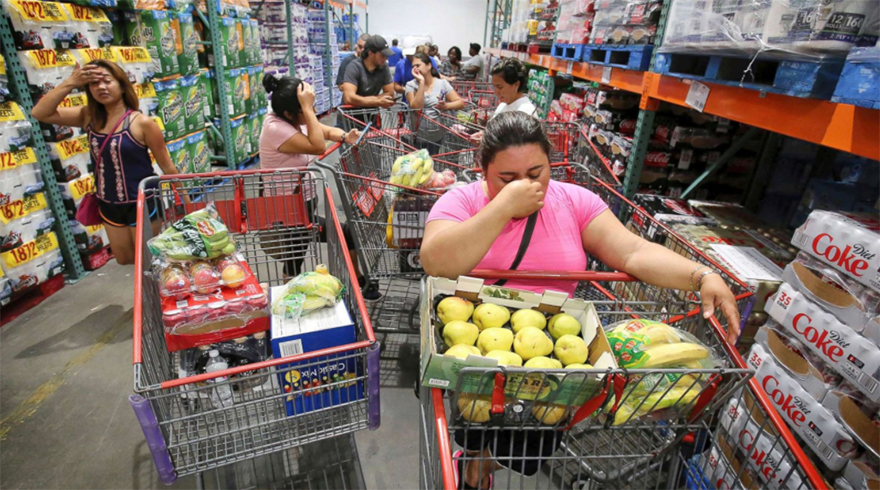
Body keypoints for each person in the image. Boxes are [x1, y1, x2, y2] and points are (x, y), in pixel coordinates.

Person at [420, 113, 741, 489]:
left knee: (527, 444)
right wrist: (503, 206)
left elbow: (633, 252)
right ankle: (474, 459)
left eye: (536, 172)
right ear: (483, 171)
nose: (525, 186)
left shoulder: (574, 202)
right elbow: (437, 261)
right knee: (472, 422)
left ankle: (485, 464)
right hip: (472, 345)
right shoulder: (461, 201)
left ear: (551, 164)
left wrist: (700, 275)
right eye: (507, 178)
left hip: (556, 352)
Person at [32, 60, 181, 265]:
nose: (101, 87)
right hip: (108, 203)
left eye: (107, 81)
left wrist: (187, 204)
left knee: (147, 261)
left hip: (142, 202)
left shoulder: (142, 123)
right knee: (125, 259)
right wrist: (70, 83)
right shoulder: (88, 117)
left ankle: (156, 296)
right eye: (94, 83)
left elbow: (167, 166)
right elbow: (40, 113)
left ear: (121, 86)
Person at [259, 74, 382, 301]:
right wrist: (307, 108)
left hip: (302, 203)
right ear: (289, 113)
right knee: (300, 253)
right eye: (308, 107)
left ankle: (355, 280)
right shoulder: (275, 128)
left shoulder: (293, 121)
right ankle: (297, 297)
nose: (313, 110)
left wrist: (345, 135)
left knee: (299, 252)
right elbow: (317, 145)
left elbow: (324, 131)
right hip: (285, 210)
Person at [405, 52, 465, 155]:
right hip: (414, 137)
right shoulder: (411, 85)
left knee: (430, 167)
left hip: (435, 138)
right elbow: (417, 108)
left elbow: (460, 103)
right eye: (413, 66)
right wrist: (421, 82)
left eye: (418, 65)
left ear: (428, 65)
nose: (415, 69)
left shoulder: (442, 83)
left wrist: (446, 106)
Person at [469, 58, 537, 142]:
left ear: (516, 85)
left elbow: (516, 147)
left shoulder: (526, 113)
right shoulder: (503, 105)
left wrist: (487, 142)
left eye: (500, 87)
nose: (496, 92)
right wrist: (484, 135)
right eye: (494, 87)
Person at [341, 35, 395, 109]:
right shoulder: (354, 67)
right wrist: (377, 101)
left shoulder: (383, 67)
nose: (385, 58)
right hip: (350, 117)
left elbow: (390, 94)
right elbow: (349, 98)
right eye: (382, 55)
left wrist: (361, 101)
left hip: (371, 115)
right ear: (370, 53)